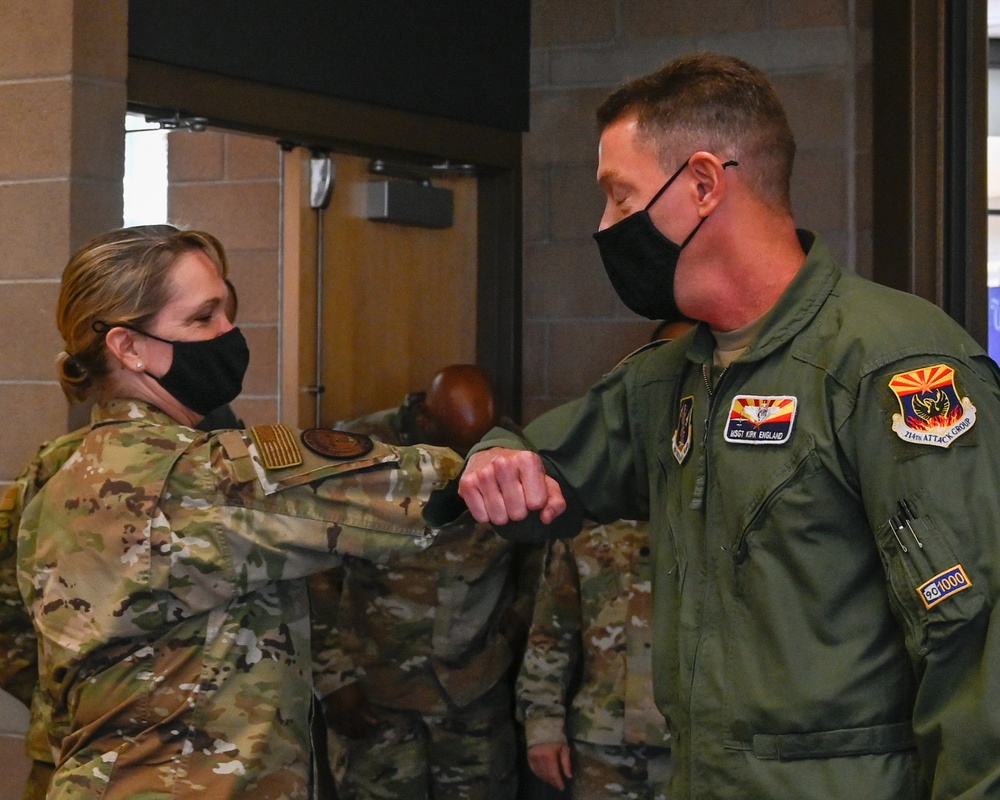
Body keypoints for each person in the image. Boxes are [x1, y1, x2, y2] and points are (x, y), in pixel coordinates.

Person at [456, 52, 1000, 798]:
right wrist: (494, 454)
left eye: (621, 197)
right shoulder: (674, 376)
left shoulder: (889, 366)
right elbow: (537, 455)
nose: (605, 227)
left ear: (704, 185)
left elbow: (973, 645)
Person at [2, 225, 463, 799]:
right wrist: (522, 461)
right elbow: (417, 490)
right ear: (129, 347)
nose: (229, 333)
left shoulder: (63, 467)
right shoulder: (191, 475)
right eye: (203, 318)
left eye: (228, 310)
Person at [309, 364, 541, 800]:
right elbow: (315, 568)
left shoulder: (515, 452)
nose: (473, 460)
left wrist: (517, 621)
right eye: (459, 446)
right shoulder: (358, 451)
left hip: (475, 689)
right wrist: (333, 678)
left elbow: (542, 557)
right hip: (375, 690)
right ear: (424, 421)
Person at [517, 519, 670, 800]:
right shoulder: (583, 522)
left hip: (694, 743)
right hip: (603, 741)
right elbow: (550, 632)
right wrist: (543, 727)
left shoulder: (712, 516)